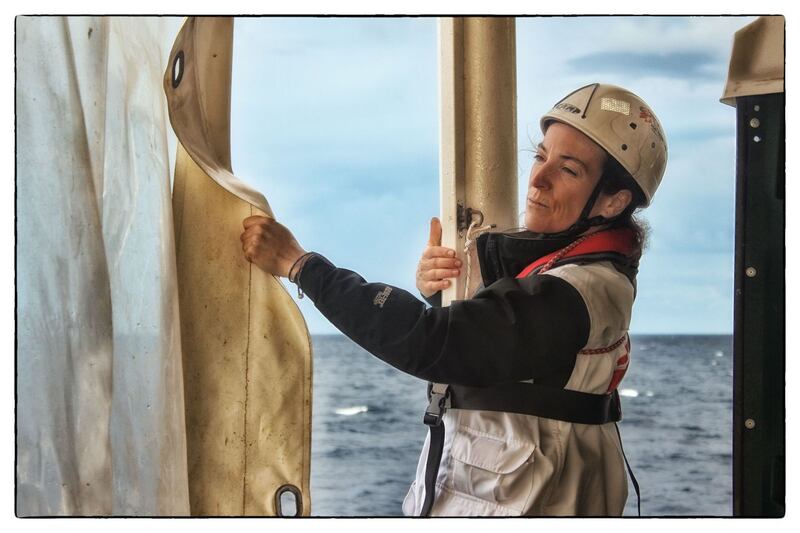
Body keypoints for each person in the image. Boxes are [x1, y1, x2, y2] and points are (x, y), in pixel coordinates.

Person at [240, 83, 667, 516]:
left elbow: (431, 342)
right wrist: (440, 294)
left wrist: (300, 265)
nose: (538, 179)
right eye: (541, 156)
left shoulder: (578, 289)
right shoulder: (567, 276)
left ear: (613, 201)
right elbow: (501, 348)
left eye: (569, 169)